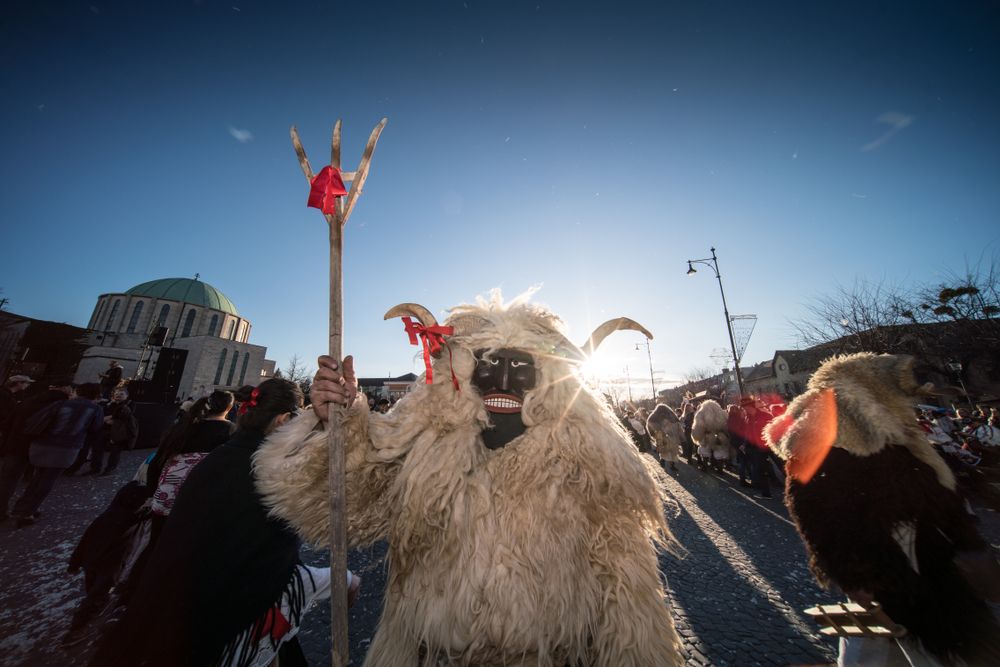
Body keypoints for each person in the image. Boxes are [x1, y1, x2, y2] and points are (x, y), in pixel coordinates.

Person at [254, 292, 683, 665]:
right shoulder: (426, 448)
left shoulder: (587, 464)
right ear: (463, 372)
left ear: (548, 380)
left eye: (521, 367)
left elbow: (626, 593)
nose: (502, 380)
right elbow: (340, 512)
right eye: (488, 364)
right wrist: (339, 429)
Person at [767, 353, 1000, 665]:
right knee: (886, 644)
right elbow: (815, 512)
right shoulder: (828, 434)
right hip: (882, 562)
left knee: (952, 637)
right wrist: (855, 576)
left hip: (933, 555)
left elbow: (941, 494)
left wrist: (964, 536)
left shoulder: (899, 435)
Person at [89, 379, 336, 667]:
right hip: (220, 623)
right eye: (297, 419)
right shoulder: (263, 470)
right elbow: (267, 563)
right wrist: (333, 580)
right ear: (283, 420)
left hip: (173, 609)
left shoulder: (227, 456)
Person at [11, 382, 104, 528]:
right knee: (47, 480)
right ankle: (27, 512)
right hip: (66, 448)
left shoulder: (61, 404)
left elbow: (40, 419)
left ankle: (22, 507)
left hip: (42, 445)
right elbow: (95, 429)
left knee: (38, 477)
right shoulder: (95, 409)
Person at [0, 379, 73, 521]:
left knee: (8, 479)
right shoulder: (63, 405)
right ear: (65, 388)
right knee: (39, 480)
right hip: (41, 447)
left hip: (15, 445)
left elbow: (8, 422)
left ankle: (1, 510)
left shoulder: (30, 400)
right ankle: (25, 510)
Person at [89, 387, 138, 475]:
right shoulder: (109, 403)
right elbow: (103, 414)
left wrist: (109, 418)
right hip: (105, 430)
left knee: (115, 452)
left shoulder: (130, 404)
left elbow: (125, 416)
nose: (118, 395)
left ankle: (109, 469)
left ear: (127, 396)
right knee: (97, 449)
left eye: (121, 394)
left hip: (118, 432)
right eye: (116, 394)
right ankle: (95, 468)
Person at [646, 403, 683, 472]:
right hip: (667, 437)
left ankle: (666, 462)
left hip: (664, 437)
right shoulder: (670, 414)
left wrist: (655, 435)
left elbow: (649, 427)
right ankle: (669, 464)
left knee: (667, 452)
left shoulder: (653, 416)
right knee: (670, 452)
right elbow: (678, 424)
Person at [0, 374, 34, 443]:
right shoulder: (4, 394)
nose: (28, 385)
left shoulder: (12, 395)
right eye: (27, 383)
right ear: (19, 383)